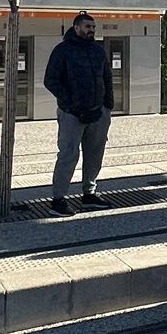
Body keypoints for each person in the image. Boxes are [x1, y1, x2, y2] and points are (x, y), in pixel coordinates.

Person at [42, 11, 112, 215]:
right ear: (76, 28)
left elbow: (107, 78)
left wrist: (108, 106)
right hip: (71, 114)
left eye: (93, 27)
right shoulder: (62, 51)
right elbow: (51, 80)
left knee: (94, 154)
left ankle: (89, 195)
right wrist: (71, 104)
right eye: (88, 27)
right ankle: (58, 199)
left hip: (98, 113)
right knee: (68, 155)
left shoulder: (98, 51)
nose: (92, 30)